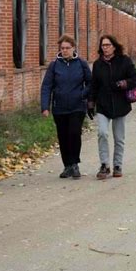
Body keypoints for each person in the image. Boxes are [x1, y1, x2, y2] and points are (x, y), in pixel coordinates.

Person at [88, 35, 136, 180]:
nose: (105, 48)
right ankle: (104, 165)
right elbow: (94, 85)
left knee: (119, 138)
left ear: (114, 46)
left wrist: (123, 83)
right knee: (102, 133)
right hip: (103, 105)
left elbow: (135, 78)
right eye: (103, 46)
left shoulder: (124, 61)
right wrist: (91, 102)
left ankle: (118, 165)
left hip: (120, 104)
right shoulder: (98, 64)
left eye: (108, 45)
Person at [41, 34, 92, 179]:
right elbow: (46, 86)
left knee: (74, 133)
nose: (65, 51)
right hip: (60, 107)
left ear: (73, 48)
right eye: (62, 48)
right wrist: (45, 106)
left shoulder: (81, 63)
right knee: (63, 137)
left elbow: (90, 82)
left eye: (67, 48)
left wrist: (83, 94)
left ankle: (75, 164)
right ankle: (67, 166)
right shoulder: (54, 65)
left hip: (77, 106)